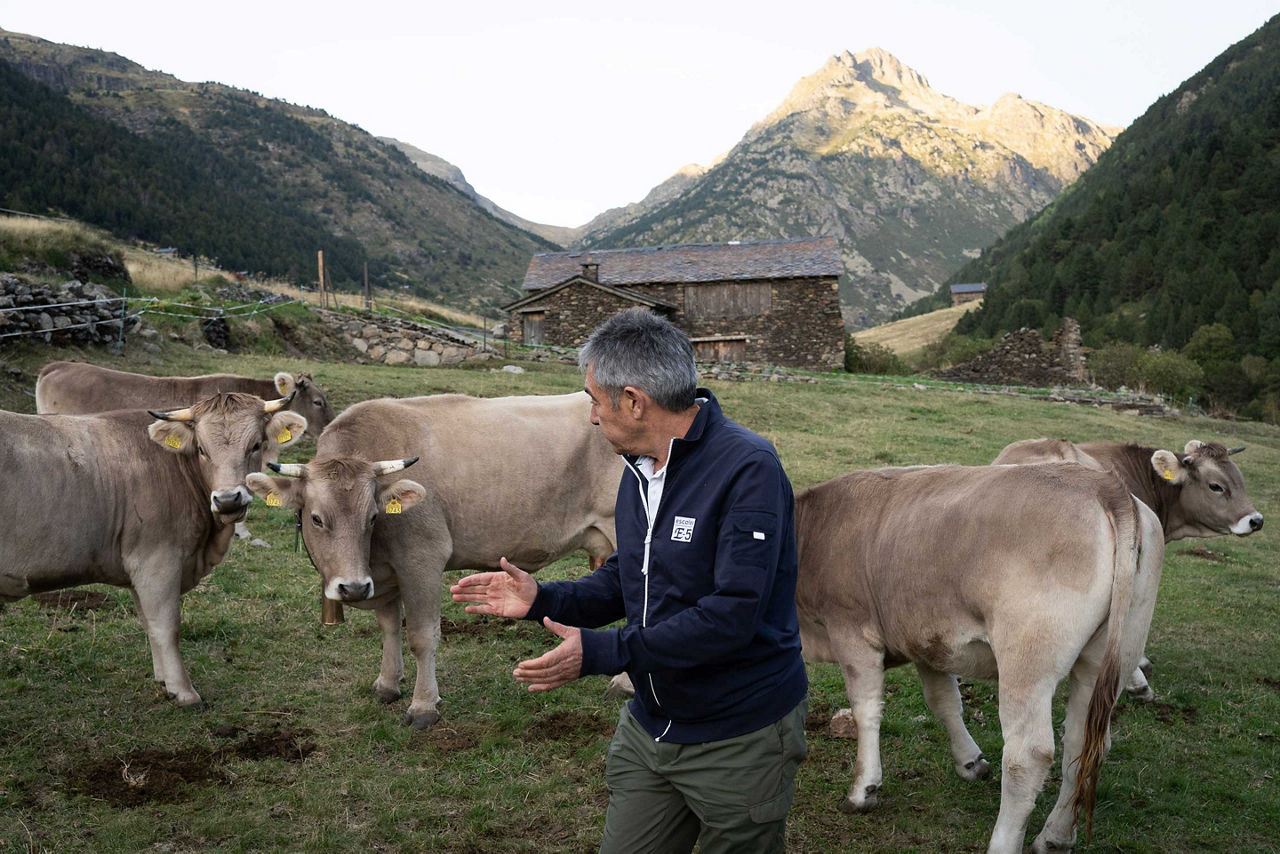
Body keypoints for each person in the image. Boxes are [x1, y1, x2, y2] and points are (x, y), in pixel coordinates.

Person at [450, 307, 808, 853]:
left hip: (738, 734)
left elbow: (732, 615)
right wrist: (543, 598)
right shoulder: (639, 469)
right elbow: (629, 574)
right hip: (651, 725)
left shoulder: (748, 469)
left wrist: (600, 652)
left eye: (595, 399)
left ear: (635, 401)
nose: (592, 415)